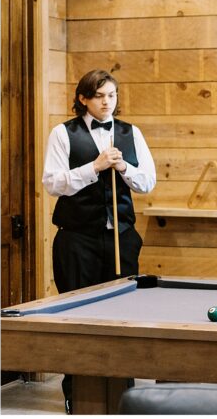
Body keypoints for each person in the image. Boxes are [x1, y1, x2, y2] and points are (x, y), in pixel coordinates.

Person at [42, 69, 156, 413]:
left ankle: (123, 394)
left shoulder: (131, 132)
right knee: (77, 317)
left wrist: (123, 169)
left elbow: (147, 182)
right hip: (77, 240)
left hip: (121, 238)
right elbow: (52, 183)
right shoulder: (63, 133)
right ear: (83, 99)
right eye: (99, 96)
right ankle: (78, 395)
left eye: (112, 95)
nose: (107, 102)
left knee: (123, 317)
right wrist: (93, 167)